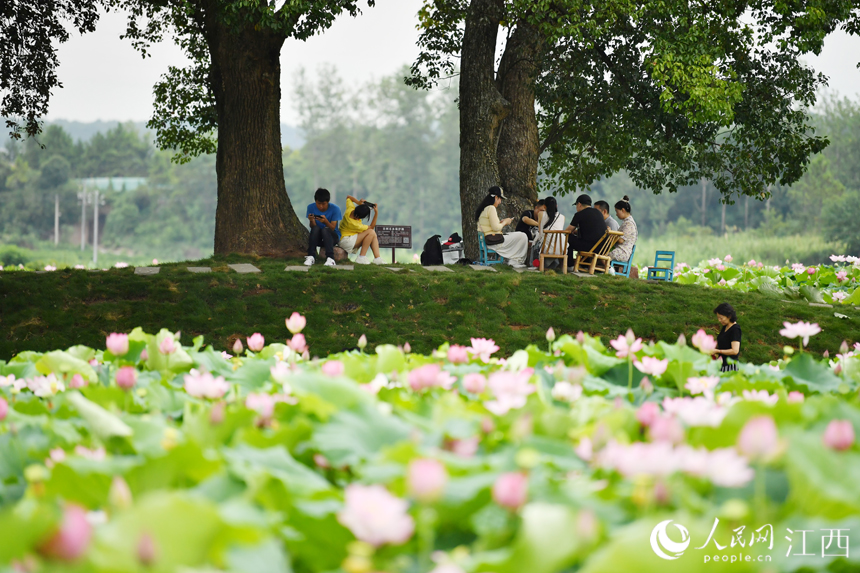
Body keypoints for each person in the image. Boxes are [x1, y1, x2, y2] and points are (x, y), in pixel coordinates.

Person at [476, 186, 529, 268]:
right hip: (494, 242)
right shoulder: (491, 208)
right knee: (523, 236)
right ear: (496, 197)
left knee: (518, 235)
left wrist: (501, 222)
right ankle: (517, 261)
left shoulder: (484, 209)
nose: (500, 202)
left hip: (488, 241)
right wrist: (505, 222)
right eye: (500, 199)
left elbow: (492, 225)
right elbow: (496, 228)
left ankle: (515, 260)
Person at [339, 195, 385, 265]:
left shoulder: (350, 209)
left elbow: (348, 197)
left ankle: (377, 258)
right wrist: (376, 213)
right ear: (358, 217)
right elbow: (371, 227)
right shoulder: (355, 224)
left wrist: (358, 202)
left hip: (346, 237)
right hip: (345, 241)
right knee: (371, 232)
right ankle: (361, 257)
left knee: (372, 234)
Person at [565, 194, 607, 266]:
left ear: (579, 204)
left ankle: (569, 265)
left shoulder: (579, 214)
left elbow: (567, 231)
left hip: (590, 248)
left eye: (576, 205)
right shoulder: (598, 213)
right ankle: (585, 265)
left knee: (568, 238)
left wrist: (570, 232)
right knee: (585, 240)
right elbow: (592, 230)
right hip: (602, 247)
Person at [304, 188, 343, 267]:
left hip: (332, 237)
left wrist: (325, 222)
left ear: (328, 202)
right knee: (316, 228)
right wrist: (311, 220)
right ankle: (311, 256)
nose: (321, 206)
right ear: (315, 201)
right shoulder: (311, 207)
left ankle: (330, 258)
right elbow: (312, 227)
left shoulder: (335, 209)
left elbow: (332, 228)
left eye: (323, 204)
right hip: (319, 238)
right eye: (318, 203)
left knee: (326, 230)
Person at [531, 197, 566, 267]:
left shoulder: (541, 214)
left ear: (544, 206)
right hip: (561, 249)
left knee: (535, 242)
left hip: (546, 249)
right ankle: (553, 265)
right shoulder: (563, 217)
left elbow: (540, 233)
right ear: (556, 206)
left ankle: (534, 264)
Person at [607, 196, 638, 263]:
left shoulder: (629, 224)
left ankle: (609, 269)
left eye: (617, 211)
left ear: (623, 210)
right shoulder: (626, 222)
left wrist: (611, 233)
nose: (616, 214)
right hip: (619, 250)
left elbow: (621, 240)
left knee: (602, 256)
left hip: (622, 252)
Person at [713, 302, 742, 372]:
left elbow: (735, 351)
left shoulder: (735, 329)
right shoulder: (725, 326)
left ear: (729, 316)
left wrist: (718, 351)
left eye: (721, 318)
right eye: (718, 318)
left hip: (730, 366)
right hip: (722, 363)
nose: (719, 320)